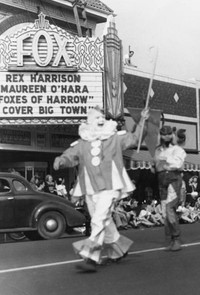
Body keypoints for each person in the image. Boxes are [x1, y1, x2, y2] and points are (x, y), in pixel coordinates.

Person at [53, 106, 149, 272]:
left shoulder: (114, 137)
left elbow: (135, 138)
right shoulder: (83, 142)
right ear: (89, 122)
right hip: (90, 188)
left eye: (102, 116)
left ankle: (90, 256)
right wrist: (61, 160)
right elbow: (71, 155)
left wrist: (142, 121)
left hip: (110, 186)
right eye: (97, 117)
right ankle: (119, 249)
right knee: (104, 220)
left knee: (98, 220)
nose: (101, 119)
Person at [153, 126, 187, 252]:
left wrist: (165, 159)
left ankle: (177, 238)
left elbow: (178, 164)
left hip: (173, 179)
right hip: (161, 180)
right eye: (163, 134)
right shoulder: (158, 150)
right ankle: (171, 239)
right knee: (164, 211)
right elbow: (156, 165)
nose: (166, 137)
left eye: (168, 134)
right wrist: (155, 165)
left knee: (169, 209)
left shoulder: (177, 149)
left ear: (172, 135)